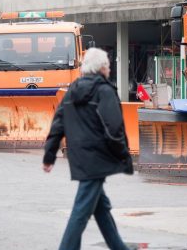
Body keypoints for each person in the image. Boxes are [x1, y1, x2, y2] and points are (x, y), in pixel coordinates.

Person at [43, 47, 133, 250]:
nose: (109, 70)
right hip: (98, 159)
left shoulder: (72, 91)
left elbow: (58, 124)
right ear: (102, 68)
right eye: (108, 66)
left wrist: (49, 155)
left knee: (100, 207)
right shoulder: (105, 91)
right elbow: (115, 128)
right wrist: (123, 156)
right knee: (81, 211)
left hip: (79, 157)